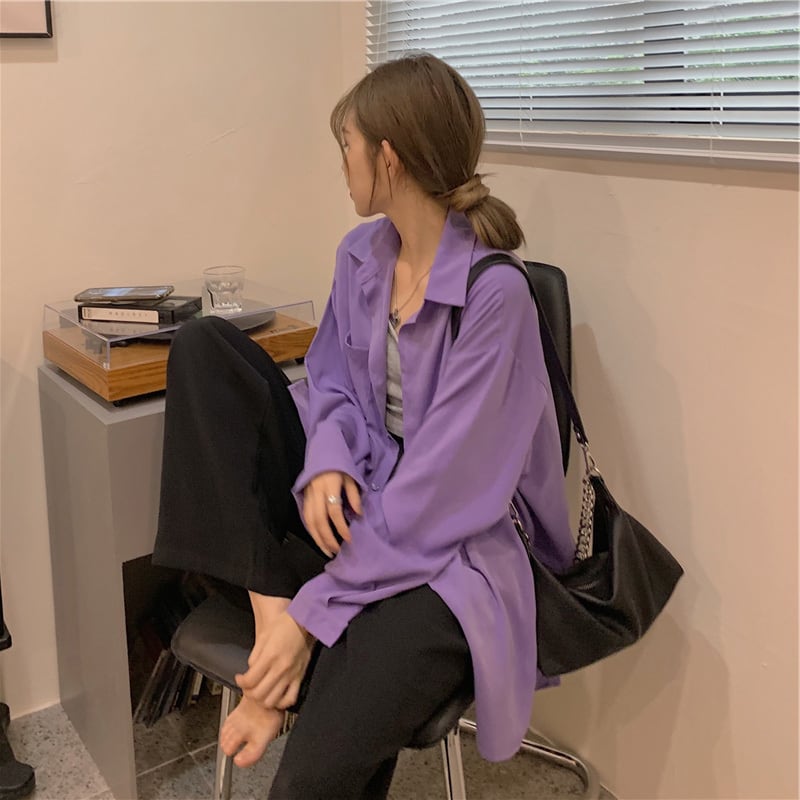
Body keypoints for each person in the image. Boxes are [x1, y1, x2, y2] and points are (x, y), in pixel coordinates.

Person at [152, 53, 575, 799]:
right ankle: (271, 604)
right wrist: (328, 459)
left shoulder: (497, 295)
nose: (340, 163)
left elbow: (446, 494)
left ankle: (295, 636)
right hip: (361, 499)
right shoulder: (363, 254)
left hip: (454, 547)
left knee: (311, 780)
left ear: (389, 156)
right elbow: (331, 383)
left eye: (345, 144)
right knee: (203, 346)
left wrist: (313, 617)